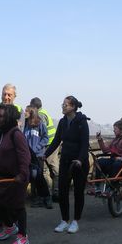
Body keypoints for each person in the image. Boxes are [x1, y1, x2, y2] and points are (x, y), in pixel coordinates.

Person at [44, 96, 90, 234]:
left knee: (78, 192)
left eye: (65, 105)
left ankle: (75, 221)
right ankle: (64, 220)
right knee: (63, 191)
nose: (63, 107)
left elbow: (84, 143)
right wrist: (45, 154)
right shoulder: (63, 122)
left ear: (73, 107)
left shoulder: (82, 122)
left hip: (79, 162)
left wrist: (81, 160)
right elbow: (56, 140)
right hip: (65, 160)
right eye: (62, 104)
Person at [0, 105, 31, 244]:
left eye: (2, 116)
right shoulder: (0, 134)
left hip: (17, 177)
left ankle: (23, 236)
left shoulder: (16, 134)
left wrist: (23, 174)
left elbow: (25, 156)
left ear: (9, 118)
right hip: (2, 176)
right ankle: (9, 227)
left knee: (17, 207)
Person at [0, 83, 24, 231]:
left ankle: (11, 220)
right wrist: (3, 134)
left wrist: (1, 132)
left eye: (10, 95)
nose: (6, 97)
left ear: (14, 96)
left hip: (12, 155)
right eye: (4, 94)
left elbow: (20, 131)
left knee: (12, 189)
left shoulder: (19, 111)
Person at [93, 120, 122, 194]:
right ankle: (97, 186)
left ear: (121, 129)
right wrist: (100, 139)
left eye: (115, 129)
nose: (113, 130)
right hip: (113, 159)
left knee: (116, 163)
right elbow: (105, 150)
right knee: (99, 161)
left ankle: (111, 186)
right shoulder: (115, 140)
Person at [30, 97, 58, 202]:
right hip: (52, 144)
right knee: (54, 170)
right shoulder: (44, 112)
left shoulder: (40, 115)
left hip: (48, 146)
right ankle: (55, 193)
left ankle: (47, 195)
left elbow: (40, 134)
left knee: (44, 171)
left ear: (34, 107)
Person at [23, 105, 52, 209]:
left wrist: (37, 147)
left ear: (31, 112)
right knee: (33, 177)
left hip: (38, 156)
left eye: (26, 111)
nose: (24, 113)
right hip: (28, 156)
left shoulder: (40, 124)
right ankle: (40, 198)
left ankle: (47, 197)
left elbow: (45, 139)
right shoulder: (25, 125)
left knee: (39, 177)